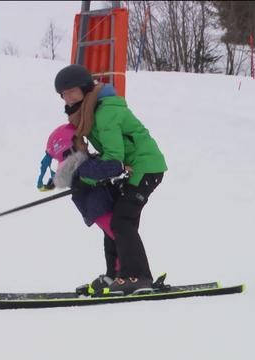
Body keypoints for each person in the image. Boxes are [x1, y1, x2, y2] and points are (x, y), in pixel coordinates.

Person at [54, 64, 168, 295]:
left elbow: (114, 160)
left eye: (72, 91)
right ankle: (115, 275)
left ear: (86, 89)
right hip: (133, 169)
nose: (67, 98)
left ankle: (137, 276)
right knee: (115, 221)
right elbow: (109, 157)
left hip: (145, 168)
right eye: (63, 94)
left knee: (122, 220)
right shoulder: (90, 112)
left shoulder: (105, 112)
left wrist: (87, 178)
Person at [38, 122, 126, 295]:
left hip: (99, 207)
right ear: (69, 148)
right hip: (99, 208)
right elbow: (104, 169)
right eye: (81, 141)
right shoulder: (81, 166)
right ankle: (123, 275)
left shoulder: (79, 164)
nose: (86, 144)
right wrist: (121, 166)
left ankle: (114, 274)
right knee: (120, 235)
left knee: (113, 237)